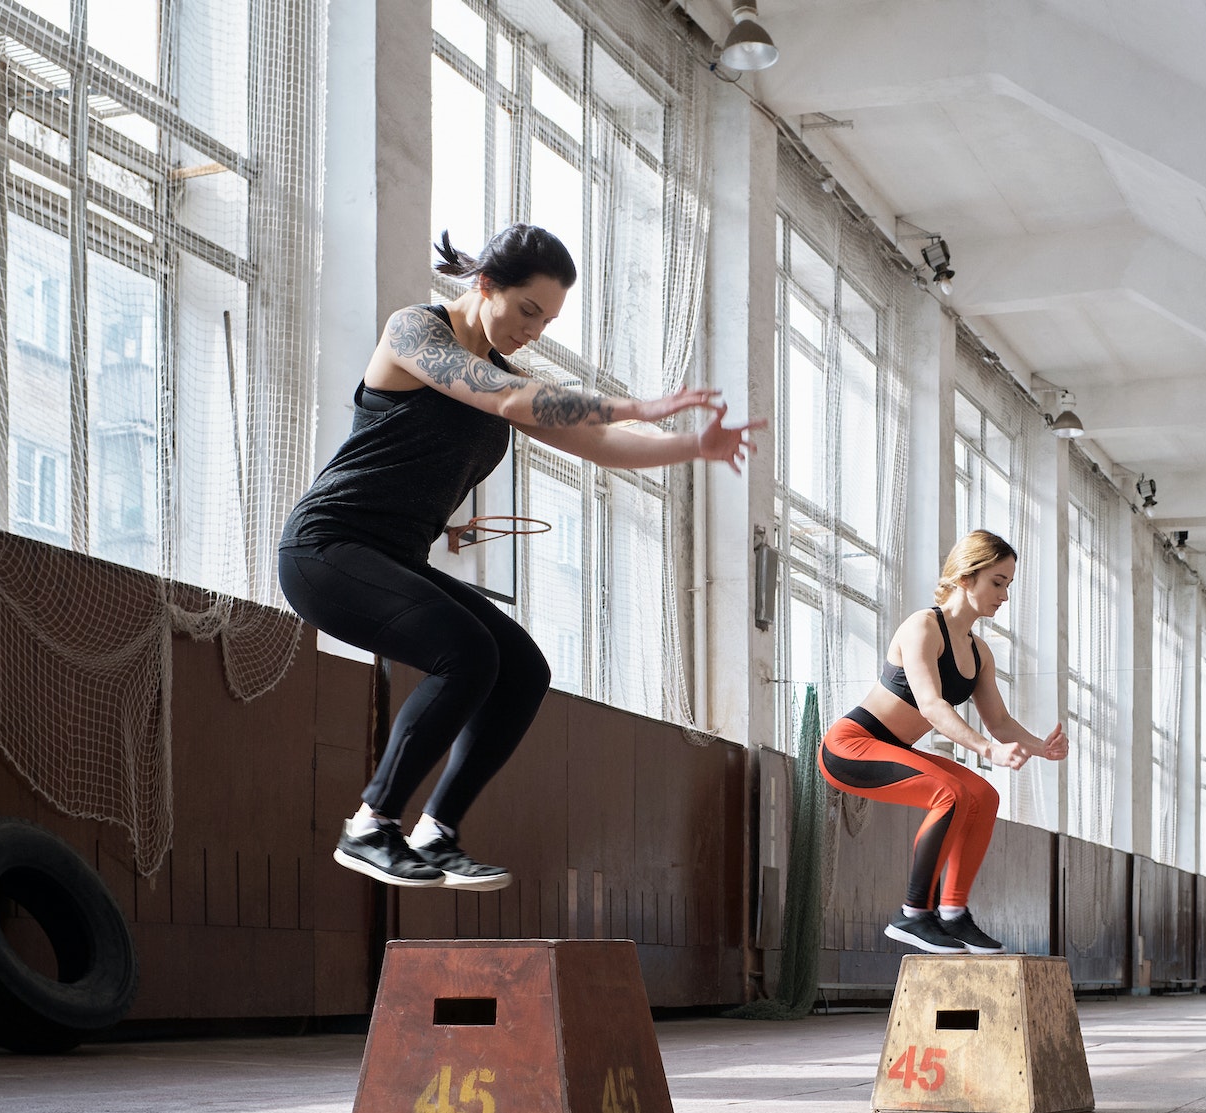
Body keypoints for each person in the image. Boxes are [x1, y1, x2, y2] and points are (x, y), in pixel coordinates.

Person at [279, 224, 761, 892]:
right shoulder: (414, 333)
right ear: (485, 286)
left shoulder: (505, 377)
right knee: (467, 653)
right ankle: (371, 825)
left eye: (549, 319)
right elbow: (506, 398)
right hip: (326, 548)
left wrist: (692, 447)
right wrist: (639, 402)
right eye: (527, 310)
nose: (533, 329)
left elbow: (600, 443)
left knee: (522, 669)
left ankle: (437, 831)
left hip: (395, 557)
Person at [817, 531, 1069, 953]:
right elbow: (932, 705)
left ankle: (952, 912)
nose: (1004, 595)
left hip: (896, 750)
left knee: (983, 796)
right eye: (997, 581)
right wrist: (988, 750)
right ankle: (913, 914)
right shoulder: (921, 627)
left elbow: (1001, 722)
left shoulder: (979, 653)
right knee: (950, 794)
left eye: (1008, 584)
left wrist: (1041, 746)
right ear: (967, 576)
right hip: (851, 745)